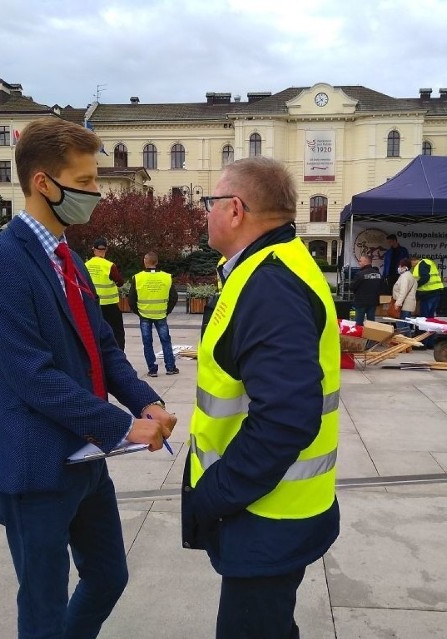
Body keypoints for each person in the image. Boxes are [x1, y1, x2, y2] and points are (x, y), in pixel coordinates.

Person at [0, 117, 176, 639]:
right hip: (34, 467)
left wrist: (144, 401)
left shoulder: (71, 259)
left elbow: (102, 348)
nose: (96, 194)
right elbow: (31, 376)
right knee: (41, 605)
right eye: (84, 183)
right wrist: (119, 425)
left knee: (108, 576)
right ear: (43, 182)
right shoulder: (0, 262)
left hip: (85, 461)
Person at [183, 157, 340, 639]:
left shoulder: (268, 283)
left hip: (264, 512)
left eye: (209, 203)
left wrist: (216, 494)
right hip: (271, 508)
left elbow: (286, 419)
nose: (204, 213)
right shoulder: (270, 266)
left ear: (234, 209)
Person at [128, 251, 179, 377]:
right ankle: (170, 367)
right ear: (156, 262)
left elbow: (131, 299)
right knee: (166, 341)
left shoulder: (138, 277)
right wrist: (167, 310)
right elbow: (174, 297)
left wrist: (138, 311)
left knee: (147, 342)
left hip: (144, 315)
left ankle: (152, 369)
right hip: (161, 314)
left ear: (145, 261)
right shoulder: (166, 277)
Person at [85, 236, 126, 349]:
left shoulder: (86, 265)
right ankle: (119, 353)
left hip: (92, 303)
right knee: (117, 331)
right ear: (106, 250)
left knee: (95, 331)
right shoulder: (109, 265)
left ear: (94, 250)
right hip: (110, 304)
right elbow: (120, 282)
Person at [350, 254, 382, 326]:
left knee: (359, 323)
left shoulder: (360, 274)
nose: (359, 263)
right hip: (373, 301)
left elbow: (352, 287)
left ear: (365, 262)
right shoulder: (378, 274)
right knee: (371, 323)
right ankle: (371, 336)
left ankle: (359, 336)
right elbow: (382, 287)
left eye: (360, 261)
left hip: (361, 301)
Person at [391, 257, 418, 335]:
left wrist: (398, 303)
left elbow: (403, 291)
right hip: (408, 305)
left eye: (400, 266)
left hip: (403, 305)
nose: (399, 268)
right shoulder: (411, 276)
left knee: (402, 326)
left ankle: (404, 343)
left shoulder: (405, 277)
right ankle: (408, 344)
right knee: (406, 325)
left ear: (405, 267)